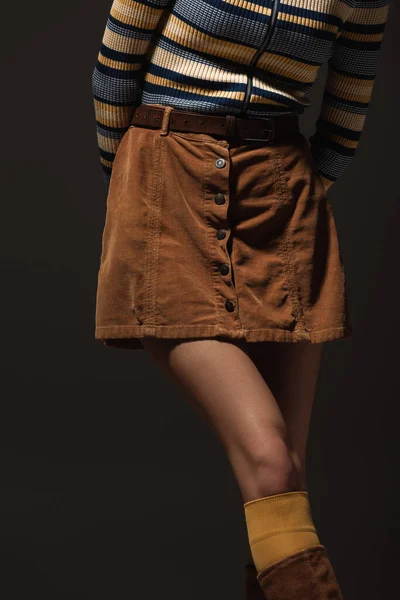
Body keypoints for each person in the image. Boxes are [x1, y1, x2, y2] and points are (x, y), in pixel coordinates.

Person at [91, 1, 392, 598]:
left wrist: (298, 186)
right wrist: (137, 181)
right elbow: (116, 60)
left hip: (280, 190)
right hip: (166, 179)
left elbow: (349, 102)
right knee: (269, 461)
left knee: (288, 478)